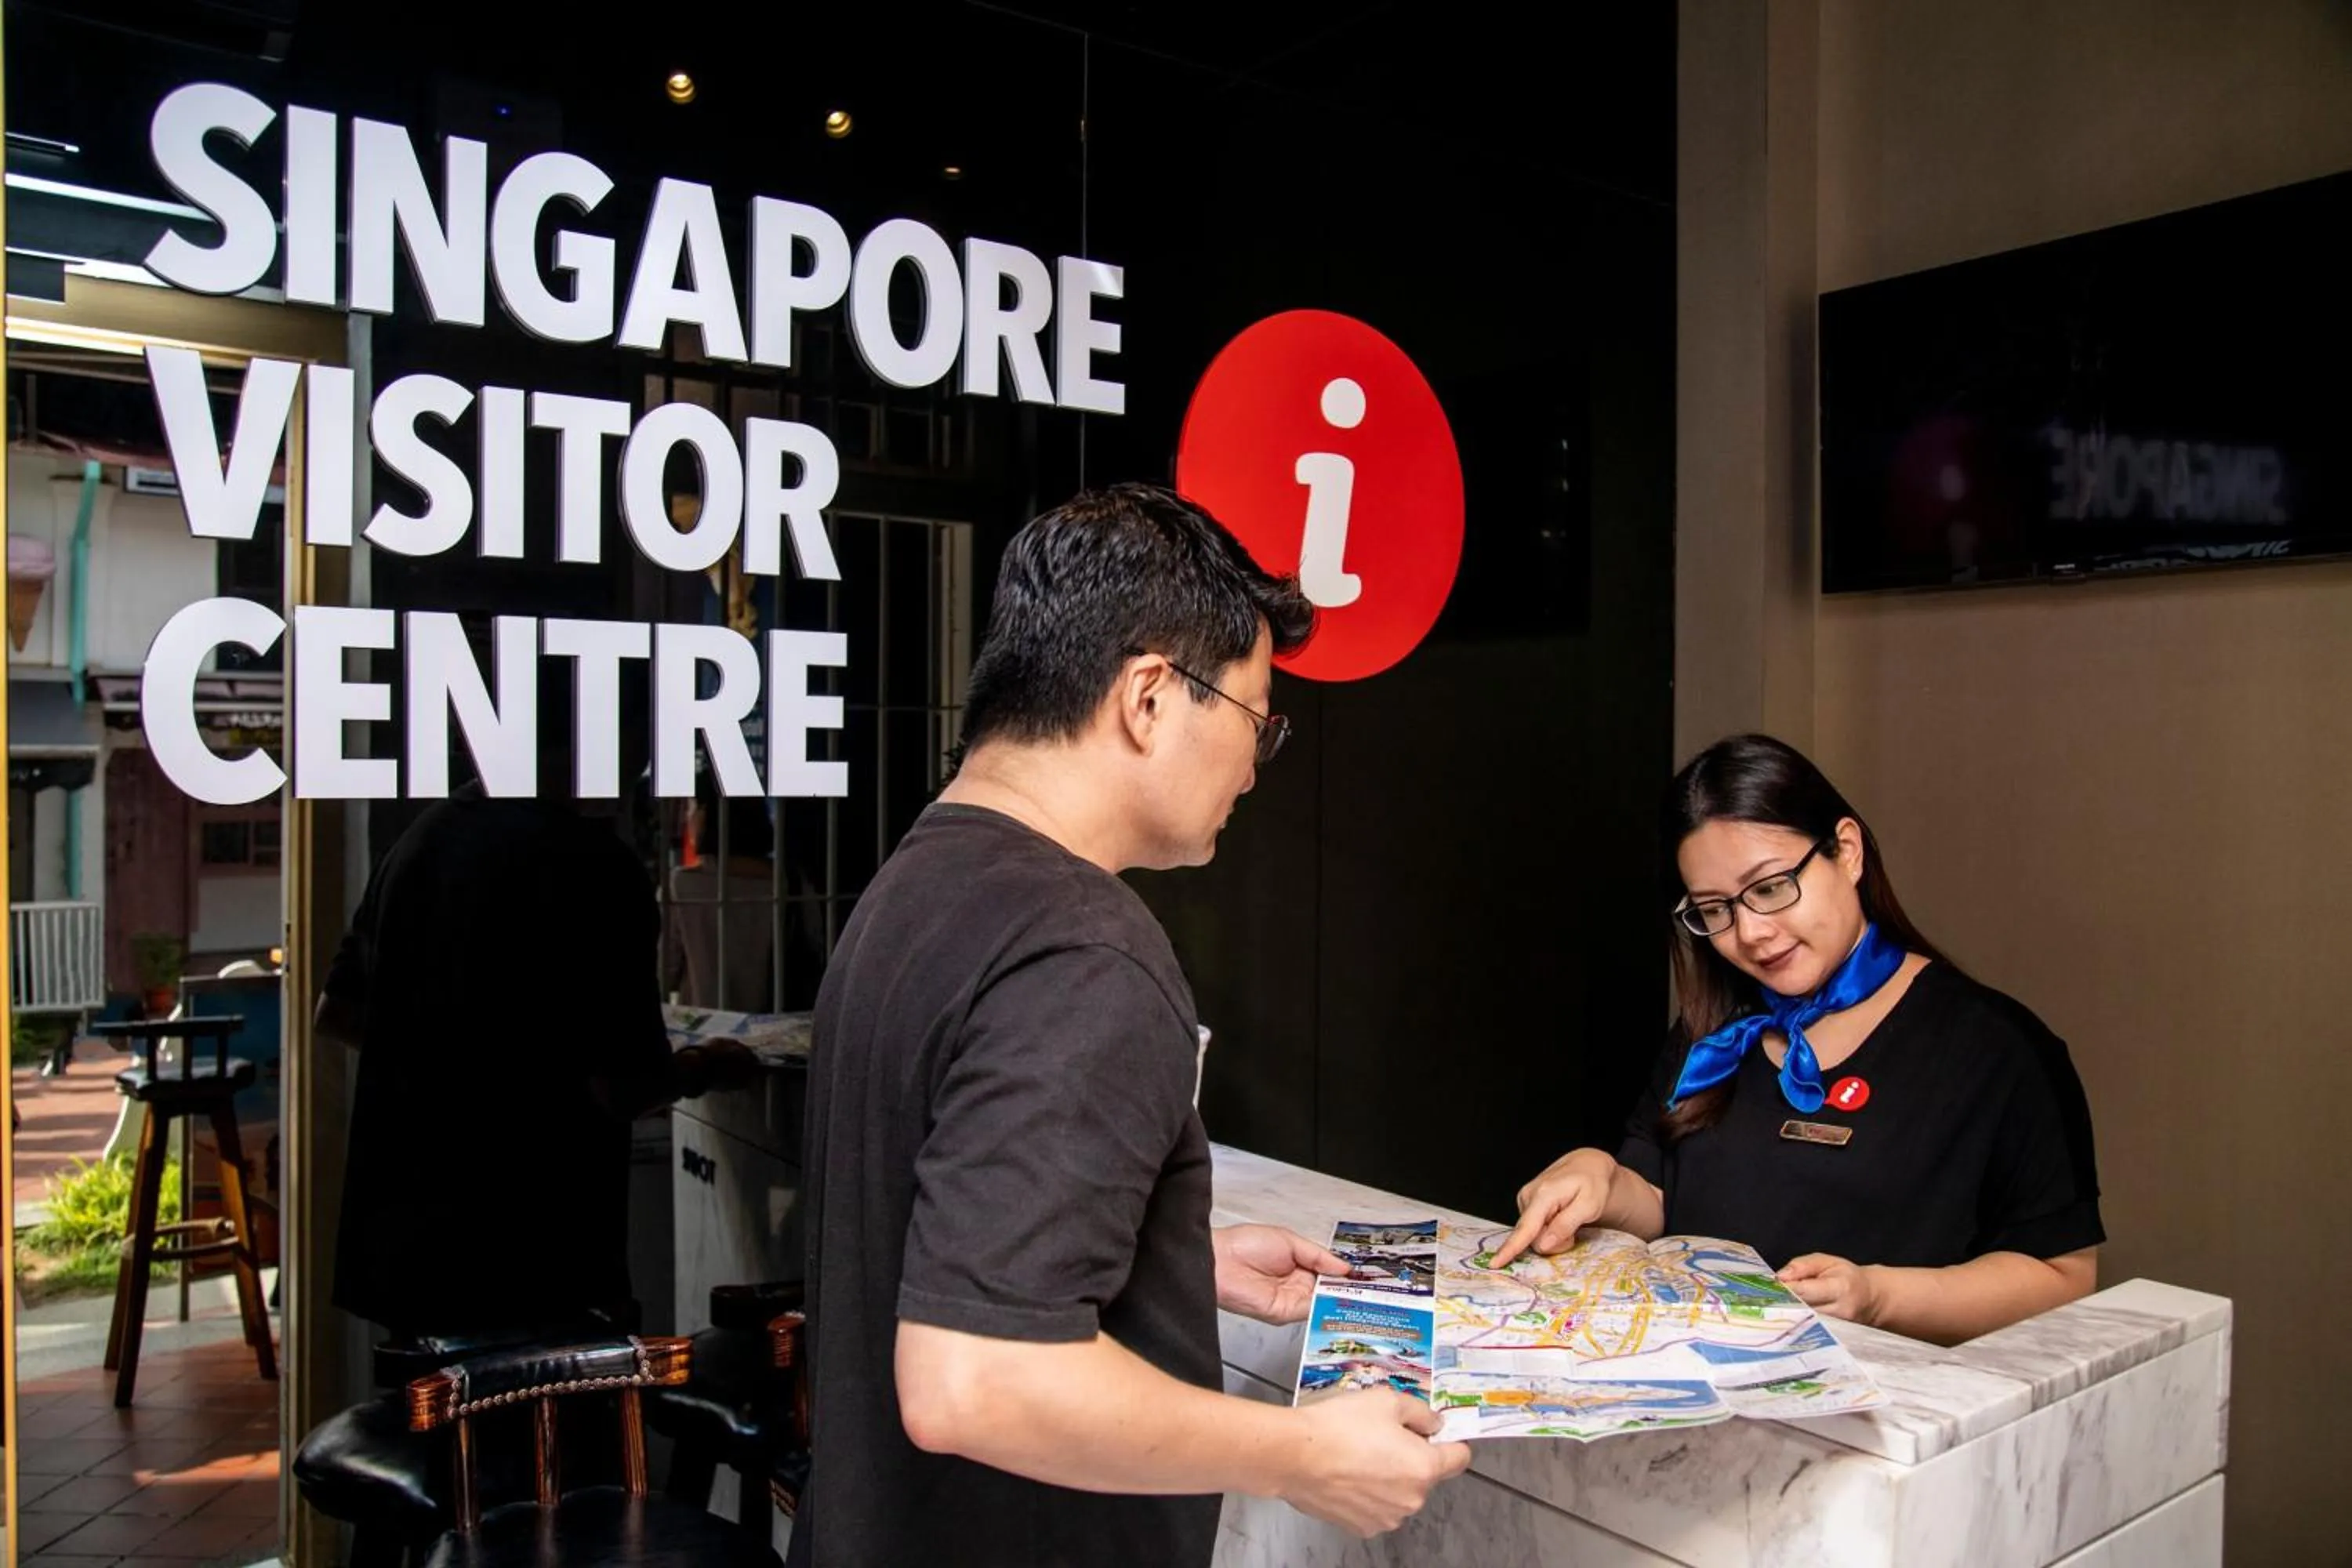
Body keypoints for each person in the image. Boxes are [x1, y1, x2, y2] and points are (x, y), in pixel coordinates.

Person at [789, 485, 1469, 1568]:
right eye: (1255, 722)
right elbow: (974, 1377)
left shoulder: (923, 881)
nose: (1253, 770)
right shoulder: (1084, 947)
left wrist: (1165, 1265)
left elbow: (944, 1228)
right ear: (1150, 696)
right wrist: (1300, 1453)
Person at [1497, 733, 2102, 1345]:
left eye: (1769, 887)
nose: (1751, 933)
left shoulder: (1996, 1049)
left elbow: (2061, 1276)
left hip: (1896, 1414)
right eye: (1715, 909)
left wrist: (1878, 1296)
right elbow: (1660, 1201)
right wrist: (1599, 1177)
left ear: (1847, 851)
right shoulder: (1715, 1033)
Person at [316, 682, 756, 1341]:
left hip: (409, 1251)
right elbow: (626, 1086)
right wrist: (707, 1065)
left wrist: (451, 1061)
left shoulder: (421, 841)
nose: (636, 766)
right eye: (632, 745)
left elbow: (338, 1014)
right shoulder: (597, 870)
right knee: (547, 1439)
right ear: (590, 745)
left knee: (437, 1437)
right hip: (538, 1256)